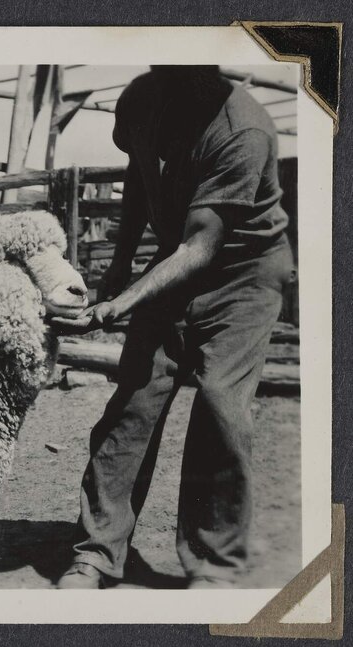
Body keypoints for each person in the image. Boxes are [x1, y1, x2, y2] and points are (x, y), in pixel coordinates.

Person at [52, 66, 295, 589]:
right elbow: (140, 177)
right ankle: (96, 550)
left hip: (243, 272)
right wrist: (117, 269)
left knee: (219, 408)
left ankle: (213, 563)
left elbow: (202, 246)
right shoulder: (140, 98)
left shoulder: (242, 129)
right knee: (133, 402)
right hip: (175, 256)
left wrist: (124, 302)